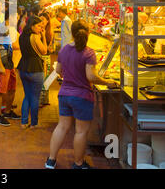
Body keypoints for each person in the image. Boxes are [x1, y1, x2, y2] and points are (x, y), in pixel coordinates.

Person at [45, 20, 118, 170]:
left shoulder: (64, 49)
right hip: (82, 96)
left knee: (62, 127)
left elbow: (58, 70)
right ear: (88, 33)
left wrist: (69, 74)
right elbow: (90, 76)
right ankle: (78, 163)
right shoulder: (88, 52)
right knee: (80, 131)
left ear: (71, 33)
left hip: (64, 94)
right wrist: (107, 81)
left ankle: (50, 161)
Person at [0, 7, 20, 127]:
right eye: (16, 16)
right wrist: (0, 65)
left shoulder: (11, 29)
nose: (18, 19)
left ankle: (7, 111)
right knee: (0, 90)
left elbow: (12, 46)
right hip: (2, 65)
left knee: (11, 88)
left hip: (10, 64)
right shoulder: (2, 28)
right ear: (11, 17)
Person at [18, 16, 47, 129]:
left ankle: (24, 122)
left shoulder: (21, 36)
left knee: (27, 96)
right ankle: (34, 123)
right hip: (35, 69)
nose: (41, 28)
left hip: (24, 67)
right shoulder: (34, 37)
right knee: (35, 97)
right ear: (32, 26)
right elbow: (44, 51)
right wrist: (43, 37)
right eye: (39, 26)